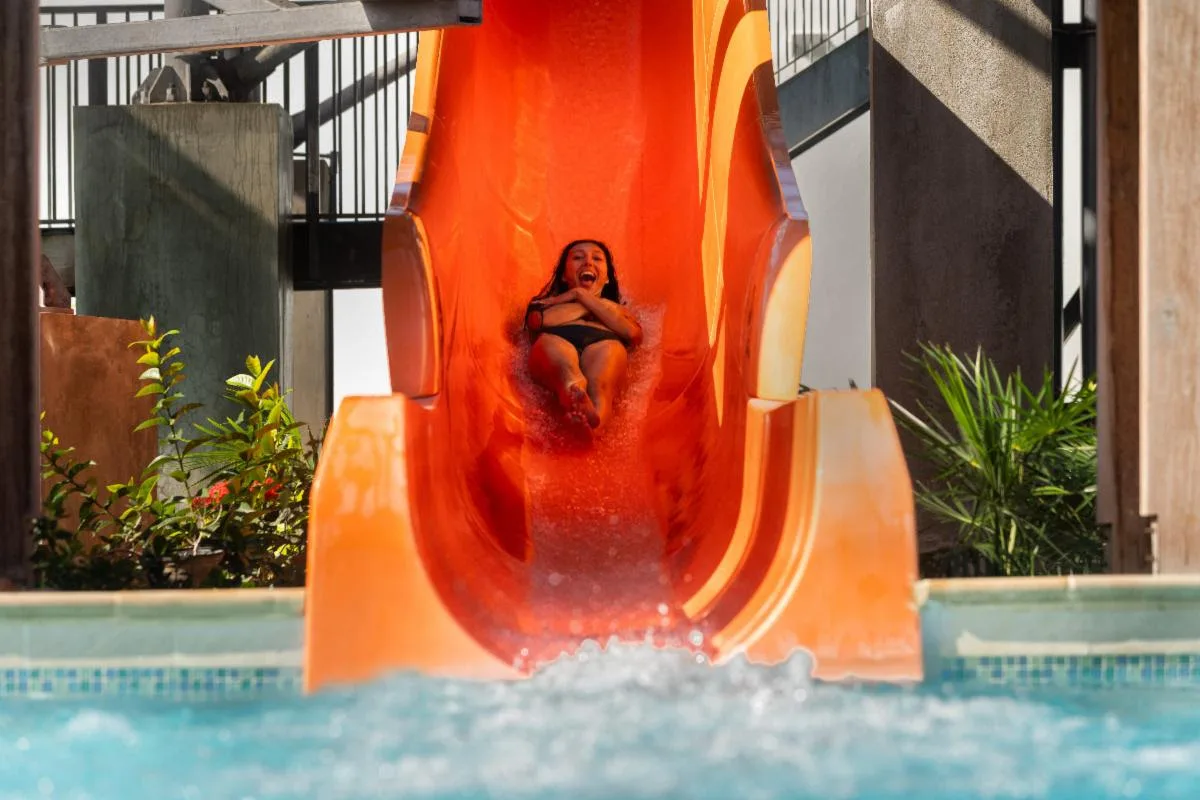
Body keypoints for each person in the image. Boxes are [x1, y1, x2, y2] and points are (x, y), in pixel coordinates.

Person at [525, 239, 643, 431]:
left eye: (597, 258)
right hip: (557, 337)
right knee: (566, 371)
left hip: (605, 342)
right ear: (564, 276)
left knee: (601, 385)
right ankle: (574, 395)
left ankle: (592, 426)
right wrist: (589, 300)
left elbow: (632, 334)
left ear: (607, 278)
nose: (588, 262)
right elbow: (540, 322)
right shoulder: (547, 303)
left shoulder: (621, 309)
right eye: (578, 257)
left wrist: (580, 295)